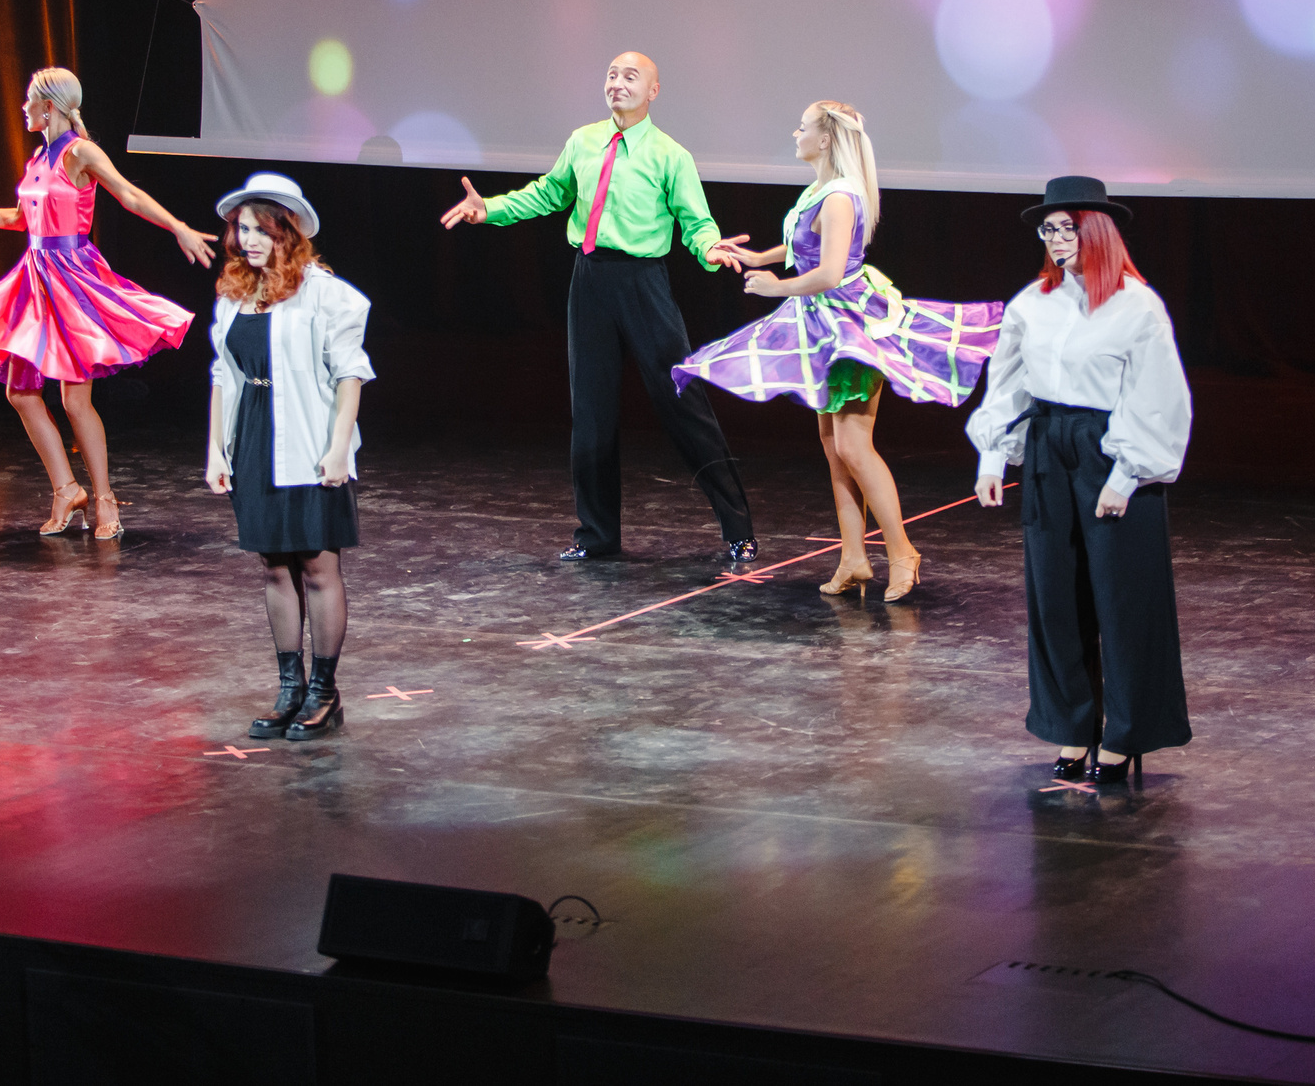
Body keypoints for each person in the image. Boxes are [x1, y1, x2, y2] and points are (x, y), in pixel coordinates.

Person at [676, 101, 1002, 602]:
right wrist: (759, 257)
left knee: (853, 445)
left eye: (803, 127)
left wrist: (774, 286)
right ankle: (854, 556)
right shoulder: (818, 192)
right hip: (824, 325)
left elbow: (828, 273)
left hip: (850, 325)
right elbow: (804, 246)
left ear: (825, 139)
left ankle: (903, 553)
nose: (796, 133)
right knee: (834, 450)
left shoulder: (840, 196)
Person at [440, 51, 757, 562]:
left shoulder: (671, 155)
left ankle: (737, 527)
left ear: (653, 91)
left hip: (643, 283)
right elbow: (548, 193)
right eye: (612, 75)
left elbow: (696, 223)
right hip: (589, 279)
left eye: (630, 76)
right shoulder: (583, 141)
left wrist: (709, 248)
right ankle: (596, 536)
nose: (617, 83)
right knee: (590, 412)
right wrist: (490, 210)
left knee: (683, 403)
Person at [0, 68, 214, 540]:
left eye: (28, 101)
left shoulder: (81, 151)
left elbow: (128, 194)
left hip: (72, 279)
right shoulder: (37, 157)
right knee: (19, 392)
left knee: (75, 402)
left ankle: (104, 499)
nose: (22, 108)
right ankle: (65, 488)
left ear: (49, 107)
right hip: (34, 280)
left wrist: (177, 226)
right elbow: (20, 218)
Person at [968, 178, 1193, 785]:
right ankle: (1071, 728)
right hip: (1047, 447)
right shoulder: (1031, 304)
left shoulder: (1135, 305)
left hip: (1109, 450)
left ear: (1096, 230)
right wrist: (995, 458)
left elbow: (1156, 397)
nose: (1057, 239)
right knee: (1055, 598)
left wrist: (1127, 474)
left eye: (1068, 227)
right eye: (1049, 229)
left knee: (1123, 600)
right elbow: (1009, 383)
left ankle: (1125, 736)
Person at [203, 174, 373, 740]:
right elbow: (223, 376)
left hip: (307, 437)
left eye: (262, 229)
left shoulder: (325, 292)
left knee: (318, 567)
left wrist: (335, 449)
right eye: (242, 228)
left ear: (288, 232)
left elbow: (350, 375)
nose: (248, 239)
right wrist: (216, 449)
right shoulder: (234, 294)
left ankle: (325, 693)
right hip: (253, 438)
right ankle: (290, 689)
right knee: (275, 565)